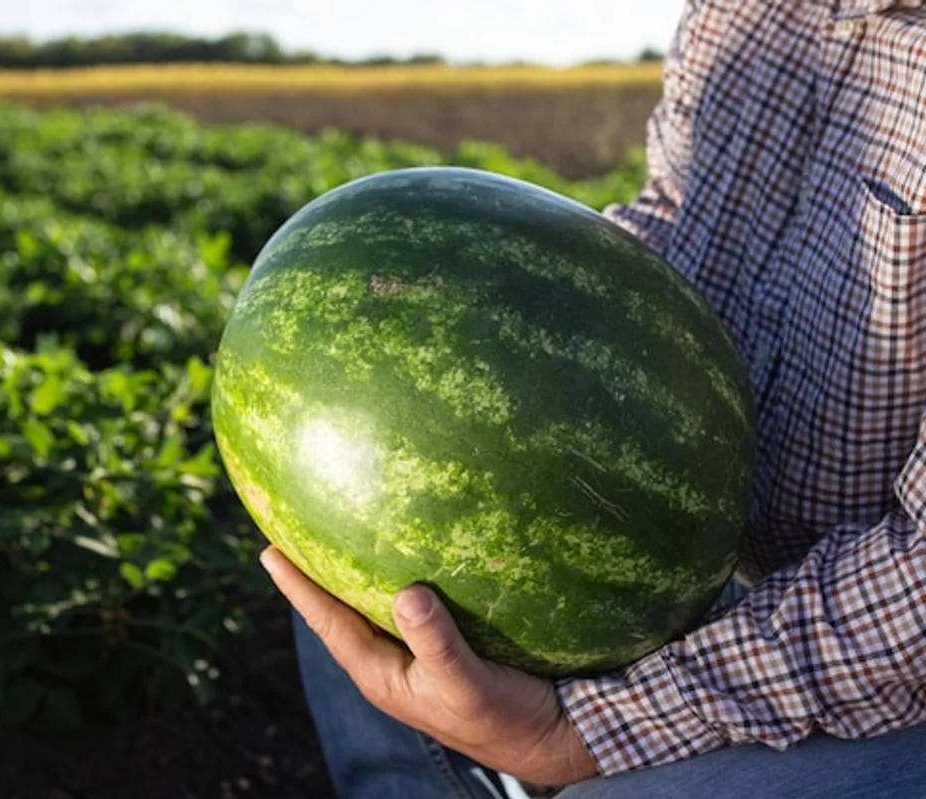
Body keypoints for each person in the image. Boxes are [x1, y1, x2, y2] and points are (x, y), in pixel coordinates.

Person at [259, 0, 926, 796]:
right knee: (359, 603)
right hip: (721, 556)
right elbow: (671, 229)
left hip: (891, 631)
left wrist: (575, 735)